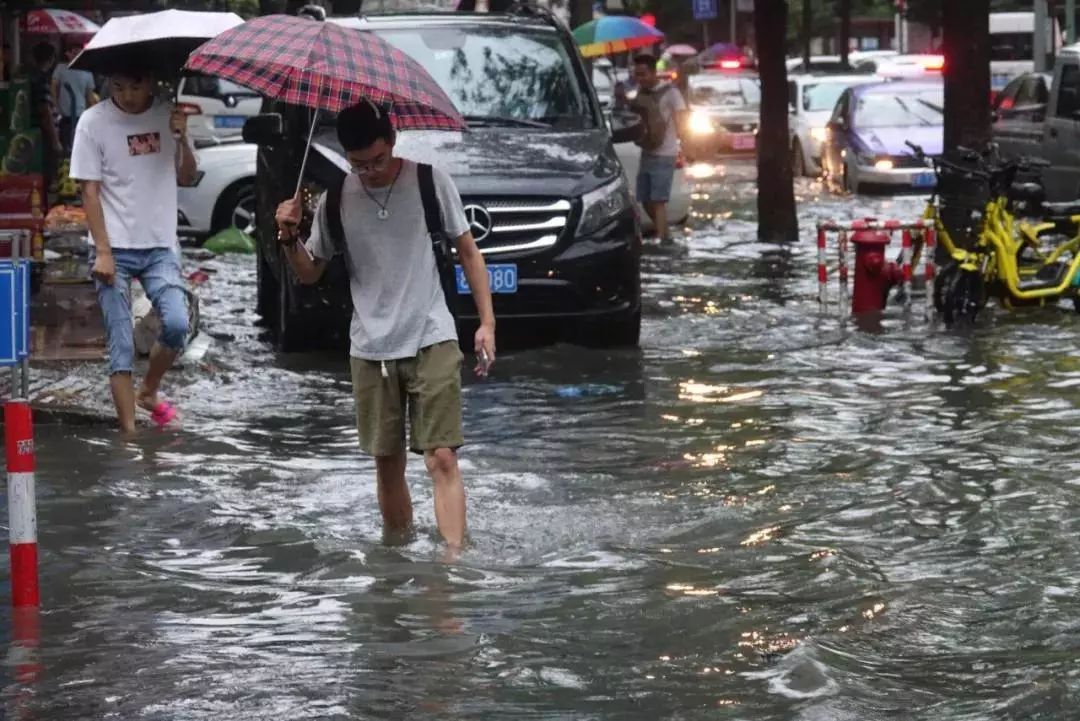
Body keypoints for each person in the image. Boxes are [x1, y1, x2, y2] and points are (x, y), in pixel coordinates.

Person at [274, 101, 496, 550]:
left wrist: (487, 322)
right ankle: (396, 558)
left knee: (441, 457)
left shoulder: (432, 183)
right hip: (370, 346)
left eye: (377, 160)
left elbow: (469, 252)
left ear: (392, 141)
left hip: (431, 333)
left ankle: (452, 569)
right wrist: (287, 236)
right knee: (387, 463)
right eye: (359, 164)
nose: (370, 171)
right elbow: (309, 271)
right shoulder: (337, 198)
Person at [69, 68, 197, 434]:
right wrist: (104, 252)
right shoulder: (92, 123)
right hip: (114, 247)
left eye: (136, 84)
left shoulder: (167, 116)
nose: (127, 95)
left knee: (176, 324)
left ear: (152, 82)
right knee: (121, 343)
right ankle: (129, 437)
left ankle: (149, 390)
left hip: (160, 245)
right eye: (118, 86)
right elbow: (89, 191)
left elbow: (187, 177)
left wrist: (183, 139)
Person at [630, 53, 687, 245]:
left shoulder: (671, 92)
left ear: (654, 72)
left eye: (643, 74)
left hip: (666, 153)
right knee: (645, 199)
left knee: (658, 200)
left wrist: (684, 146)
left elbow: (682, 118)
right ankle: (666, 234)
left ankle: (662, 240)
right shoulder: (640, 93)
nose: (640, 78)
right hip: (647, 151)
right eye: (637, 74)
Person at [52, 42, 97, 153]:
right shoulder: (61, 68)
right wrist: (55, 106)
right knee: (65, 147)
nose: (76, 54)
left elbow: (90, 97)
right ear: (67, 54)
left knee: (79, 148)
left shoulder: (87, 72)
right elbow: (53, 87)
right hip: (64, 115)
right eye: (74, 52)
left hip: (80, 116)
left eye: (79, 52)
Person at [28, 42, 61, 192]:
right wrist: (55, 140)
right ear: (52, 58)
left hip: (32, 132)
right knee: (45, 175)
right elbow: (45, 111)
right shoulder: (40, 79)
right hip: (42, 135)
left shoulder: (30, 77)